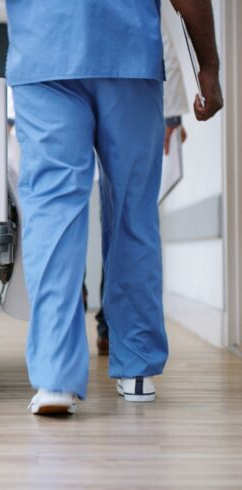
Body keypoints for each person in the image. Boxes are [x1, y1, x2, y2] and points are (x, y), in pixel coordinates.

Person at [0, 0, 223, 415]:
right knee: (133, 210)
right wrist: (208, 68)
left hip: (45, 53)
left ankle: (56, 379)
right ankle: (136, 370)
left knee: (52, 211)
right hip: (129, 54)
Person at [95, 15, 190, 356]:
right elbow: (161, 32)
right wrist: (173, 114)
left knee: (67, 217)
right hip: (129, 81)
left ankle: (74, 347)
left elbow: (161, 32)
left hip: (71, 77)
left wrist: (173, 115)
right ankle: (118, 337)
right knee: (127, 220)